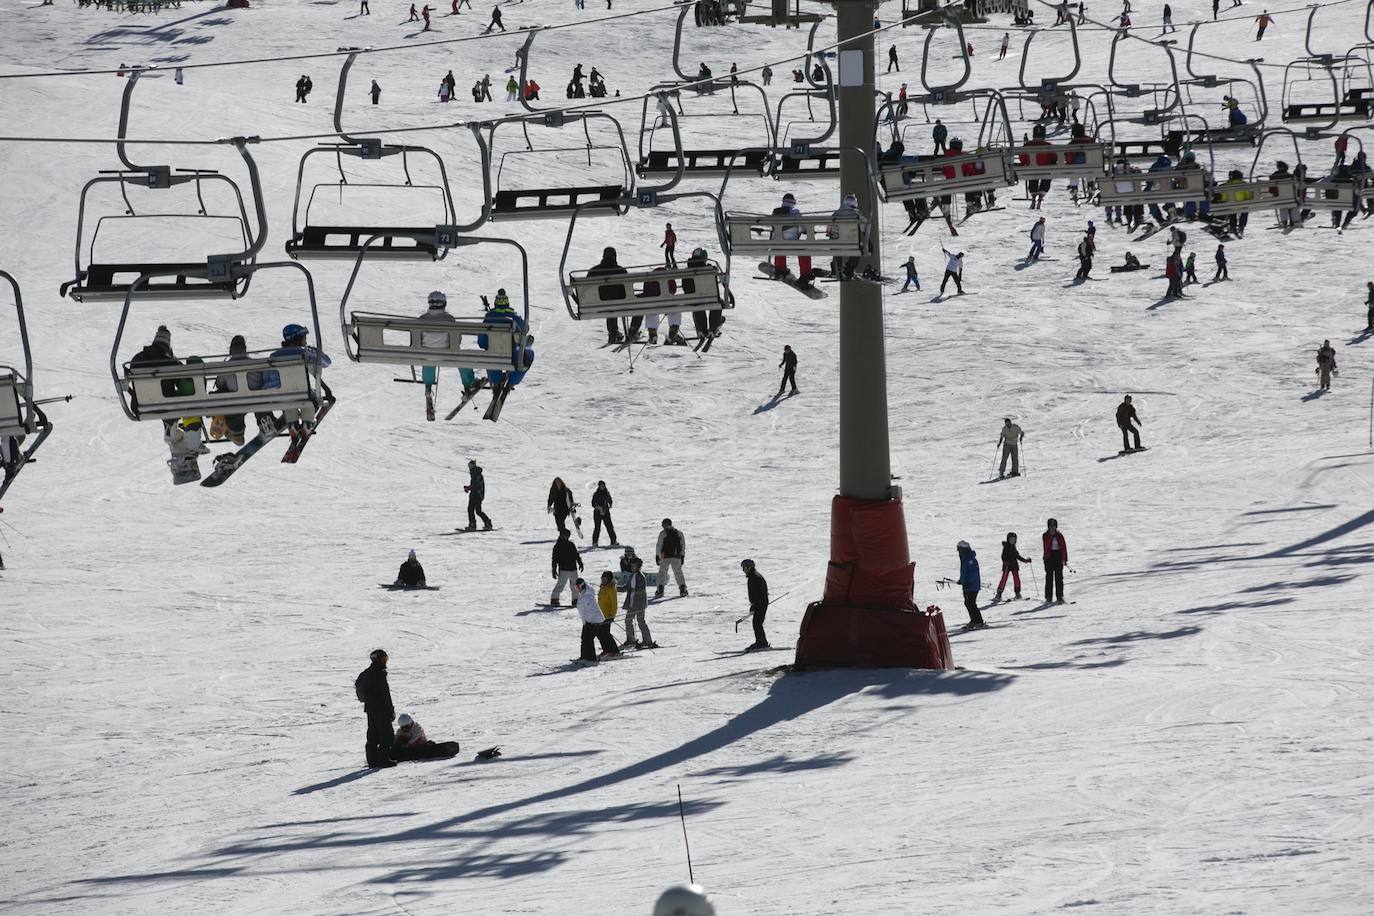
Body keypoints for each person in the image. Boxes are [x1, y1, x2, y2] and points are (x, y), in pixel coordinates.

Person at [355, 649, 396, 768]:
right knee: (386, 735)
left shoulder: (366, 673)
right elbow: (385, 694)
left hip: (370, 708)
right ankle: (383, 760)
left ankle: (372, 761)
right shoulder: (379, 673)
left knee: (373, 735)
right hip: (381, 709)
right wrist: (391, 710)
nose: (385, 662)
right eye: (384, 659)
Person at [210, 335, 251, 446]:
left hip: (235, 401)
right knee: (237, 408)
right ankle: (234, 431)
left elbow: (219, 384)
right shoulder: (254, 363)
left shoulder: (226, 366)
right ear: (244, 349)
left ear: (231, 350)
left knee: (225, 397)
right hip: (254, 398)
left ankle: (234, 431)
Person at [587, 246, 629, 344]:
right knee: (613, 302)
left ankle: (613, 333)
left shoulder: (593, 271)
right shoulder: (621, 271)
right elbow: (626, 291)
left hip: (596, 303)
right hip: (619, 302)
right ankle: (618, 332)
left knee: (609, 303)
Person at [770, 193, 813, 287]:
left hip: (778, 242)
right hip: (793, 242)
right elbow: (802, 227)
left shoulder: (775, 212)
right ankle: (805, 274)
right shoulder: (795, 211)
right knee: (804, 251)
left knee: (779, 247)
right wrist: (803, 231)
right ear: (793, 202)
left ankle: (780, 269)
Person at [574, 577, 619, 662]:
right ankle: (584, 657)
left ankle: (590, 658)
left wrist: (588, 622)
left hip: (593, 621)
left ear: (582, 586)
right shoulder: (584, 594)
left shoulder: (587, 596)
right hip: (589, 621)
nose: (577, 589)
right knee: (584, 638)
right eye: (576, 588)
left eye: (578, 587)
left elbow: (591, 611)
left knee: (588, 639)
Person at [621, 557, 654, 648]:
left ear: (638, 566)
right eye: (631, 565)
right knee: (628, 620)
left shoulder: (641, 577)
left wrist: (632, 590)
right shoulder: (632, 576)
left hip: (639, 604)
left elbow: (641, 591)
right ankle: (631, 639)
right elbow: (626, 587)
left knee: (640, 621)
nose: (632, 567)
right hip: (632, 603)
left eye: (633, 565)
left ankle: (647, 640)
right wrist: (616, 588)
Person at [741, 558, 770, 650]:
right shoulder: (753, 576)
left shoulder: (754, 577)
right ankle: (761, 641)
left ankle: (762, 643)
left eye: (744, 568)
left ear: (749, 567)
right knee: (757, 623)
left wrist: (754, 606)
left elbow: (756, 594)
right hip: (761, 603)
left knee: (757, 623)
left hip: (760, 603)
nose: (743, 570)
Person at [955, 541, 985, 629]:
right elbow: (964, 572)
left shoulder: (970, 559)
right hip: (967, 585)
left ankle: (979, 621)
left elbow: (973, 572)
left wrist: (968, 581)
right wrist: (961, 580)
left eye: (959, 550)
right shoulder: (965, 558)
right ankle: (974, 620)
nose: (959, 552)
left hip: (972, 586)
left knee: (971, 603)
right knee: (968, 603)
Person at [654, 518, 687, 598]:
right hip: (676, 556)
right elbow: (683, 545)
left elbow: (659, 545)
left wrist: (657, 555)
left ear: (665, 524)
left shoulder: (663, 533)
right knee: (678, 573)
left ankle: (660, 589)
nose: (661, 525)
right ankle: (682, 588)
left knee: (662, 573)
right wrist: (682, 556)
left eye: (662, 523)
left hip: (665, 556)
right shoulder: (679, 533)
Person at [550, 528, 584, 606]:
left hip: (573, 569)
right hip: (563, 569)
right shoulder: (557, 546)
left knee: (575, 585)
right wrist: (554, 569)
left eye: (567, 535)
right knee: (560, 585)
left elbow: (576, 554)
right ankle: (554, 599)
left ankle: (575, 599)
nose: (565, 537)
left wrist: (580, 562)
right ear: (561, 535)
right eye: (564, 535)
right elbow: (554, 559)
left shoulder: (571, 544)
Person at [994, 533, 1031, 601]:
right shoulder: (1006, 546)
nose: (1012, 540)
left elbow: (1017, 556)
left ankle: (1017, 593)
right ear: (1008, 539)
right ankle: (999, 594)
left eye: (1014, 539)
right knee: (1004, 579)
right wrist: (1005, 562)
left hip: (1014, 565)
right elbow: (1003, 556)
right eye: (1011, 539)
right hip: (1007, 566)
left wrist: (1025, 560)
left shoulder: (1013, 547)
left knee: (1016, 579)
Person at [596, 571, 622, 657]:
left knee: (605, 633)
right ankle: (606, 649)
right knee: (600, 633)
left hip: (608, 615)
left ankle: (614, 650)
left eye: (605, 579)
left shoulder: (611, 589)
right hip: (600, 615)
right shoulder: (602, 587)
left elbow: (614, 603)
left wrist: (612, 615)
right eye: (602, 579)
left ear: (609, 579)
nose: (603, 580)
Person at [1042, 519, 1067, 604]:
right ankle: (1048, 597)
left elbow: (1063, 547)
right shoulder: (1045, 535)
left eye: (1054, 526)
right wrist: (1051, 536)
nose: (1052, 528)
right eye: (1050, 526)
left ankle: (1059, 597)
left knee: (1059, 578)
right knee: (1049, 578)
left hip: (1058, 557)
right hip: (1049, 557)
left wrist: (1064, 559)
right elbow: (1046, 544)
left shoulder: (1060, 535)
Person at [464, 458, 492, 531]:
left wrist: (468, 488)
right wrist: (469, 488)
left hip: (477, 495)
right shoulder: (475, 473)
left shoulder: (476, 474)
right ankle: (486, 523)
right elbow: (475, 485)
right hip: (476, 495)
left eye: (470, 467)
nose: (469, 469)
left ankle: (475, 524)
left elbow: (476, 485)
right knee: (475, 510)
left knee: (472, 510)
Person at [591, 480, 618, 547]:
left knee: (610, 527)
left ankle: (613, 541)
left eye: (602, 485)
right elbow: (593, 503)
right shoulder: (596, 494)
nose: (601, 486)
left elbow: (610, 500)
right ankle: (595, 542)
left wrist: (610, 504)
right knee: (597, 528)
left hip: (606, 512)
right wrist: (599, 508)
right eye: (600, 485)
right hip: (597, 513)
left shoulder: (607, 493)